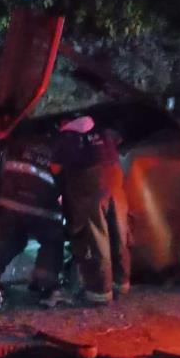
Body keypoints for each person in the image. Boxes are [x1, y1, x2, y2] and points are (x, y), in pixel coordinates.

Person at [0, 130, 68, 307]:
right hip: (41, 208)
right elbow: (66, 183)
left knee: (12, 239)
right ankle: (46, 286)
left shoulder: (19, 144)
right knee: (52, 241)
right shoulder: (60, 149)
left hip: (9, 203)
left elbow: (1, 173)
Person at [53, 115, 130, 305]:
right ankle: (121, 283)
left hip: (91, 187)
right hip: (114, 182)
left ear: (64, 123)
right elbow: (118, 141)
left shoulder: (67, 136)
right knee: (118, 232)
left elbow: (55, 168)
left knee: (96, 237)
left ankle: (100, 292)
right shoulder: (102, 130)